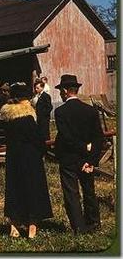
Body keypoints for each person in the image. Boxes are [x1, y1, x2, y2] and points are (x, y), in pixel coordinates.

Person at [0, 83, 53, 239]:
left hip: (13, 158)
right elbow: (38, 139)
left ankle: (14, 227)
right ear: (25, 100)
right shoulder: (28, 118)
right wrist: (43, 150)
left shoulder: (7, 118)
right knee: (32, 190)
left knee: (14, 190)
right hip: (30, 159)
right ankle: (32, 227)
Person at [54, 74, 103, 235]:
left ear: (67, 91)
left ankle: (79, 226)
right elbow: (98, 137)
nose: (61, 94)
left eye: (61, 90)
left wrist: (82, 148)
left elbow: (67, 138)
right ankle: (94, 222)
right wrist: (91, 158)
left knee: (71, 193)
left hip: (69, 159)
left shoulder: (60, 112)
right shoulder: (90, 110)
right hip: (86, 160)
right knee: (89, 189)